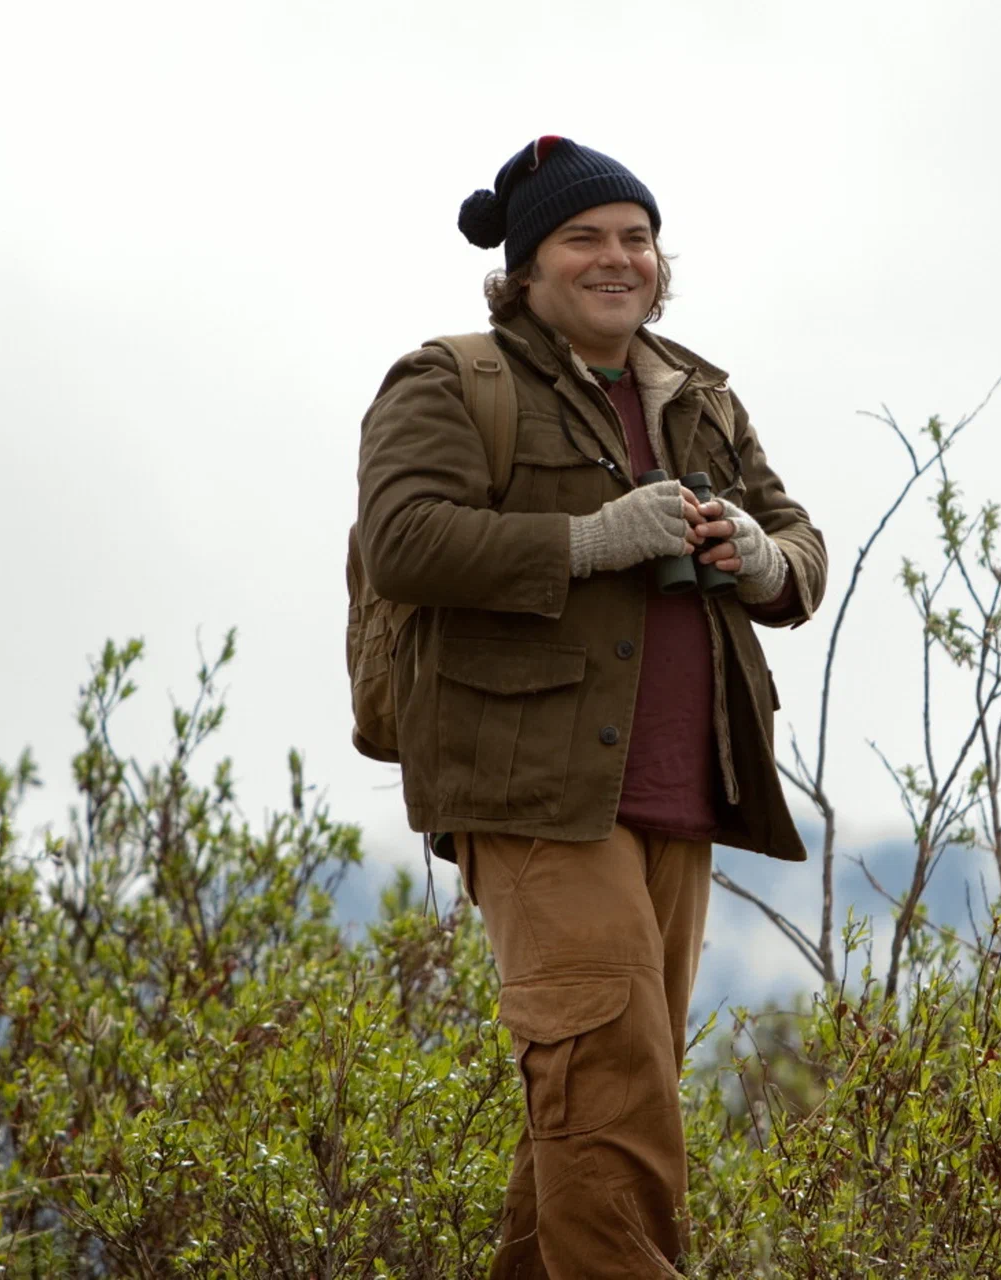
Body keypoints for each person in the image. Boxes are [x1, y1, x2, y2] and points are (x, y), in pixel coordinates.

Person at [353, 135, 826, 1278]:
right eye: (585, 239)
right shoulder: (451, 380)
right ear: (525, 268)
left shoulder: (698, 395)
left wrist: (761, 556)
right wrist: (588, 541)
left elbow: (800, 546)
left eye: (637, 238)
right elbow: (404, 539)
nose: (618, 257)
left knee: (589, 1100)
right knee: (611, 1090)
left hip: (683, 791)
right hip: (534, 793)